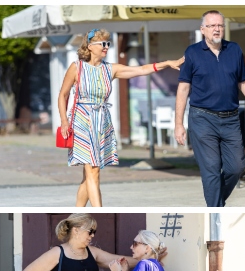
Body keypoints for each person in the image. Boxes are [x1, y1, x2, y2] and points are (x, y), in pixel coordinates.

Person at [57, 29, 184, 206]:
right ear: (90, 46)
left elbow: (141, 69)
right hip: (81, 120)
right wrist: (64, 121)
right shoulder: (76, 67)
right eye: (103, 44)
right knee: (93, 170)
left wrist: (167, 63)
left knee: (89, 173)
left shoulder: (111, 69)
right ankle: (100, 212)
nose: (106, 47)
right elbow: (63, 95)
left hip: (102, 121)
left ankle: (78, 210)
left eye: (108, 44)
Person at [174, 10, 245, 206]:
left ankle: (215, 201)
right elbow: (183, 88)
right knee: (211, 167)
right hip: (202, 118)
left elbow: (244, 82)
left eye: (220, 25)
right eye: (212, 26)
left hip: (230, 119)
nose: (217, 29)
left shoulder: (234, 50)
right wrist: (179, 124)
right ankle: (216, 209)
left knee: (236, 167)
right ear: (203, 30)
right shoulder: (192, 52)